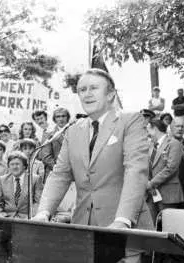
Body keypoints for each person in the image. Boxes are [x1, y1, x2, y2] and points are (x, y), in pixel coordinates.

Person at [32, 69, 153, 263]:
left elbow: (135, 172)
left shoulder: (130, 121)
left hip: (125, 229)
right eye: (82, 89)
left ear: (111, 94)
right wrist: (43, 212)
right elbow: (60, 175)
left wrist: (123, 220)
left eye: (94, 88)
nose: (87, 93)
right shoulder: (73, 130)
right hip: (84, 229)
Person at [0, 151, 43, 263]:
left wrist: (30, 217)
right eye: (12, 164)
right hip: (7, 221)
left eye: (17, 164)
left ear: (25, 166)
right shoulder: (2, 180)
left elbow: (38, 202)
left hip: (27, 221)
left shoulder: (35, 179)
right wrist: (1, 215)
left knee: (23, 244)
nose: (14, 166)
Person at [146, 119, 184, 220]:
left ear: (155, 129)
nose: (147, 134)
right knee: (151, 227)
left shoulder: (174, 144)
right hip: (151, 194)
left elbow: (171, 168)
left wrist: (151, 183)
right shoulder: (151, 146)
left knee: (168, 227)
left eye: (148, 130)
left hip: (168, 195)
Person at [40, 108, 71, 180]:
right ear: (54, 119)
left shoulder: (75, 132)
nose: (61, 119)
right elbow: (46, 157)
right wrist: (59, 170)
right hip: (54, 174)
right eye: (58, 116)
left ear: (68, 118)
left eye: (63, 116)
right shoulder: (48, 134)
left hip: (72, 175)